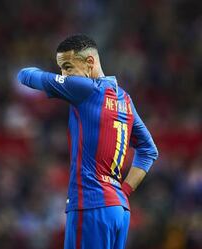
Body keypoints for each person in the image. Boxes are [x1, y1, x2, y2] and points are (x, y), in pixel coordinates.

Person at [17, 34, 158, 249]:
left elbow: (25, 75)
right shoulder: (125, 99)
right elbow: (148, 151)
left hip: (90, 205)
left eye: (67, 67)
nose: (64, 75)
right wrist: (124, 191)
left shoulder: (84, 89)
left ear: (90, 62)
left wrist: (56, 81)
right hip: (118, 210)